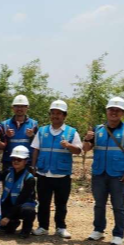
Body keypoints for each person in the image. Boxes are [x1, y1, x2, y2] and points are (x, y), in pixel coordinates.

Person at [83, 96, 124, 245]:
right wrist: (87, 139)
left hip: (118, 174)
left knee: (118, 206)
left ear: (123, 113)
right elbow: (86, 149)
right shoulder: (97, 129)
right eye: (111, 110)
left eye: (117, 110)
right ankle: (98, 230)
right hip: (99, 173)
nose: (114, 112)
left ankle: (118, 235)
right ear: (107, 111)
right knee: (99, 204)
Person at [31, 100, 82, 238]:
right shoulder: (42, 131)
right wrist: (33, 166)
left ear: (64, 116)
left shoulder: (71, 132)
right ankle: (43, 227)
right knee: (43, 202)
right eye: (53, 113)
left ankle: (61, 227)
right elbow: (36, 149)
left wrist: (69, 146)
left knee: (61, 203)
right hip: (43, 173)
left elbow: (78, 150)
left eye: (59, 113)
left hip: (62, 175)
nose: (55, 116)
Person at [0, 146, 36, 239]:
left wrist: (8, 217)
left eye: (19, 159)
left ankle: (26, 230)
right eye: (13, 159)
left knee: (28, 211)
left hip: (21, 206)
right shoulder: (8, 172)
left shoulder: (29, 178)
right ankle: (13, 222)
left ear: (25, 161)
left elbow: (21, 200)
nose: (15, 161)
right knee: (5, 229)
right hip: (7, 206)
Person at [1, 95, 38, 176]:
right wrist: (6, 136)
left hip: (26, 163)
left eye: (22, 106)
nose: (19, 109)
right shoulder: (5, 124)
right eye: (17, 106)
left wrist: (32, 136)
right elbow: (0, 145)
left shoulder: (34, 124)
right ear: (13, 108)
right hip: (9, 162)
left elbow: (37, 145)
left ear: (27, 108)